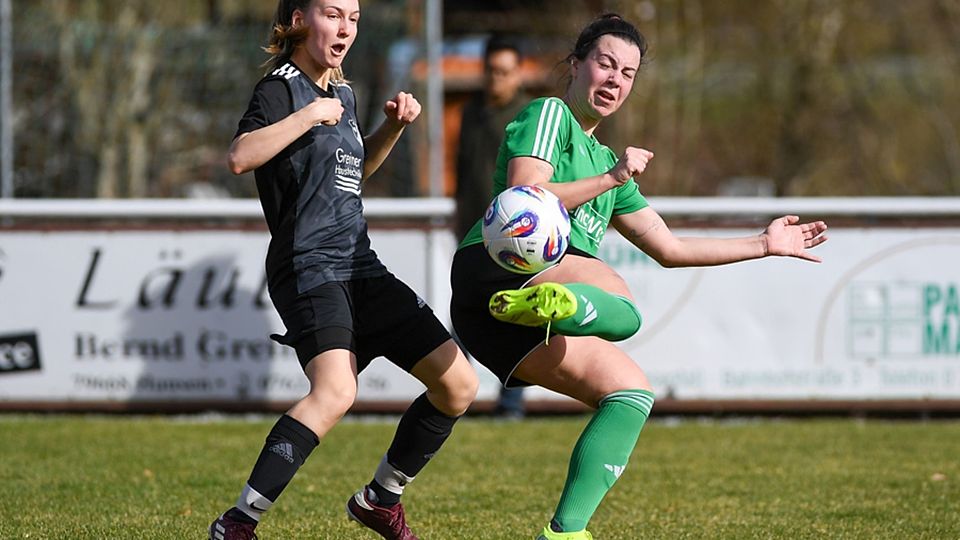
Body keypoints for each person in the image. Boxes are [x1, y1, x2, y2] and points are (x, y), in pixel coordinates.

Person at [449, 13, 828, 540]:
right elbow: (525, 196)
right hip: (499, 267)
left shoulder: (609, 164)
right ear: (576, 64)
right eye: (605, 64)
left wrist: (764, 245)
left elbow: (668, 249)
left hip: (501, 319)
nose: (614, 80)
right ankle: (558, 302)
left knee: (631, 392)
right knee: (621, 304)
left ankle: (564, 533)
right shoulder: (551, 114)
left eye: (627, 73)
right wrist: (611, 177)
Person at [209, 1, 478, 539]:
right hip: (307, 266)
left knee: (458, 385)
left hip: (360, 267)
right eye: (333, 14)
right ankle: (238, 523)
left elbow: (355, 170)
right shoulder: (280, 88)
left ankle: (381, 499)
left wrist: (391, 128)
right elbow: (240, 156)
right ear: (301, 19)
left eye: (353, 17)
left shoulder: (345, 94)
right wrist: (308, 114)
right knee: (336, 392)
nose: (346, 28)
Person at [454, 35, 528, 419]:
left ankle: (511, 403)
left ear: (519, 74)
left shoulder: (529, 118)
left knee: (516, 315)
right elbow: (464, 170)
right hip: (471, 232)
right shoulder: (470, 112)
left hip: (515, 238)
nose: (496, 79)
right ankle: (453, 391)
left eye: (505, 72)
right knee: (465, 313)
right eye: (491, 71)